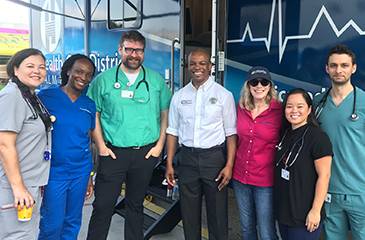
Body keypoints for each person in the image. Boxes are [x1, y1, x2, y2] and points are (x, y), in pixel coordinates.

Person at [86, 30, 173, 240]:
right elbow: (94, 114)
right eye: (129, 49)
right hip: (112, 153)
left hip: (145, 154)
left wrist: (159, 146)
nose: (134, 54)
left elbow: (166, 114)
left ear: (144, 52)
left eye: (139, 50)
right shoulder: (103, 81)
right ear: (120, 50)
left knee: (136, 205)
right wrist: (101, 146)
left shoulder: (155, 81)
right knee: (103, 206)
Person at [165, 48, 237, 240]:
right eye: (193, 64)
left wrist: (229, 165)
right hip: (187, 158)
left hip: (214, 159)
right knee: (188, 214)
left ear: (210, 66)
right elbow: (172, 131)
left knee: (217, 214)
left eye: (202, 63)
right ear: (188, 66)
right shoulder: (179, 96)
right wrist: (170, 163)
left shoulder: (224, 95)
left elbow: (231, 133)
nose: (197, 68)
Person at [37, 54, 96, 239]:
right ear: (68, 70)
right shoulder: (46, 97)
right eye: (79, 71)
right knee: (52, 224)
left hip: (80, 171)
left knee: (73, 221)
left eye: (88, 74)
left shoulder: (88, 104)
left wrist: (89, 176)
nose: (83, 77)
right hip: (54, 172)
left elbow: (88, 140)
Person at [313, 44, 365, 240]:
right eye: (333, 66)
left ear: (354, 68)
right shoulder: (318, 103)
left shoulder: (363, 102)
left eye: (344, 65)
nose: (339, 70)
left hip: (360, 191)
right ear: (327, 69)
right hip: (329, 190)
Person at [0, 48, 52, 239]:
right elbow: (4, 144)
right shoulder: (12, 96)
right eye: (30, 66)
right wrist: (18, 187)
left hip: (30, 182)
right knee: (19, 235)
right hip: (16, 185)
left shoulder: (29, 95)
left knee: (26, 233)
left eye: (42, 67)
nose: (36, 71)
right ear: (15, 69)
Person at [274, 88, 332, 240]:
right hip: (285, 212)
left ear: (309, 109)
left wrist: (315, 211)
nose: (294, 110)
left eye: (300, 106)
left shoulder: (318, 138)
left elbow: (324, 176)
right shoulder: (285, 133)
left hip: (305, 216)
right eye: (289, 106)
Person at [232, 66, 281, 240]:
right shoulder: (241, 107)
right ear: (248, 85)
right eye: (254, 82)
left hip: (265, 181)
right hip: (240, 177)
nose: (259, 86)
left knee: (267, 233)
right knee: (247, 228)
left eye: (264, 82)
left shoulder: (279, 111)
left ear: (270, 85)